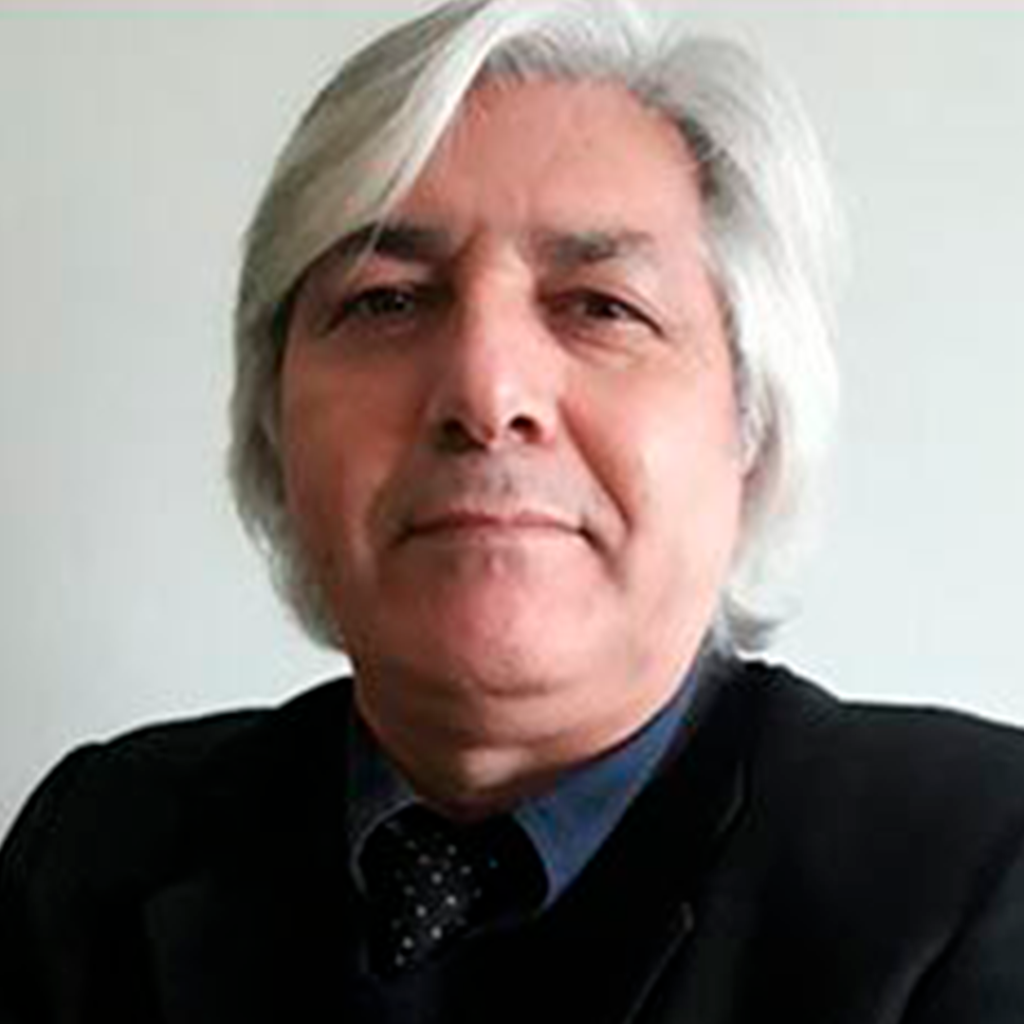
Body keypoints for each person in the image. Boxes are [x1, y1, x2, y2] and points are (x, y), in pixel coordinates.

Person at [2, 0, 1023, 1021]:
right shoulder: (95, 843)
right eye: (387, 299)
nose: (486, 395)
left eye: (601, 306)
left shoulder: (974, 874)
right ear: (272, 420)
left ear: (753, 428)